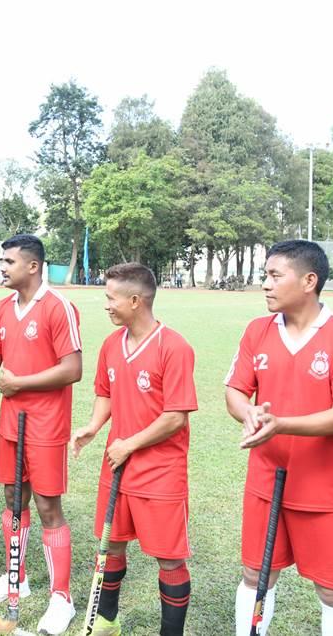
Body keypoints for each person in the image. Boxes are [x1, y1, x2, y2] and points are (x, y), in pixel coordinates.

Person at [224, 240, 333, 636]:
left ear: (309, 280)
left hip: (325, 489)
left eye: (274, 276)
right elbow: (235, 391)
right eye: (265, 276)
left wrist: (281, 424)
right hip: (265, 482)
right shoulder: (257, 330)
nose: (265, 285)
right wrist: (248, 412)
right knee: (256, 574)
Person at [0, 234, 83, 636]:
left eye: (9, 261)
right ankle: (18, 579)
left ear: (33, 266)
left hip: (46, 426)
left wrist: (21, 384)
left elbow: (72, 368)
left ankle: (62, 598)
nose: (2, 267)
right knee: (13, 499)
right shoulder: (3, 308)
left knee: (48, 508)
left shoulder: (58, 307)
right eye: (1, 260)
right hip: (12, 423)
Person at [70, 263, 197, 636]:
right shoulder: (112, 344)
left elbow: (176, 416)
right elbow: (106, 393)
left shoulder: (174, 347)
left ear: (135, 300)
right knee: (111, 546)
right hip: (117, 464)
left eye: (111, 297)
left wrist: (130, 444)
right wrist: (94, 428)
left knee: (170, 560)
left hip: (159, 471)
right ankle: (107, 620)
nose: (106, 304)